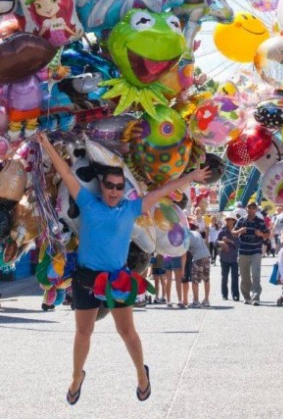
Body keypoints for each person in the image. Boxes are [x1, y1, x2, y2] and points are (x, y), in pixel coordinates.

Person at [37, 131, 210, 405]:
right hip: (86, 279)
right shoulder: (88, 203)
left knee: (127, 332)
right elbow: (68, 176)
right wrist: (46, 144)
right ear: (102, 186)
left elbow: (163, 191)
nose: (115, 191)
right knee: (83, 332)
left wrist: (191, 178)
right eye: (110, 186)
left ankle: (142, 374)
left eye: (119, 186)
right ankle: (76, 376)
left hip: (118, 280)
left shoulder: (131, 208)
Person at [232, 201, 270, 306]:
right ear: (246, 209)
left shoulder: (260, 221)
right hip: (243, 251)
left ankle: (255, 297)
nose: (251, 209)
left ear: (256, 209)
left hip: (256, 251)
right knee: (244, 276)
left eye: (253, 208)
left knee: (256, 275)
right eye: (249, 207)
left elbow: (268, 234)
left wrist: (261, 233)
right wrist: (239, 231)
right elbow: (233, 232)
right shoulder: (241, 220)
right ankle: (247, 297)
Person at [187, 224, 211, 308]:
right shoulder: (197, 233)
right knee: (206, 279)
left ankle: (196, 301)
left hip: (197, 258)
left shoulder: (187, 235)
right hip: (207, 256)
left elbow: (185, 249)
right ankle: (206, 300)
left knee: (195, 280)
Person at [216, 216, 239, 301]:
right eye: (227, 220)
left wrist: (229, 241)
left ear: (234, 221)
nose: (228, 221)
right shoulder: (222, 231)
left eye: (230, 220)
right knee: (224, 277)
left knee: (235, 277)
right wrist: (221, 242)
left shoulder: (237, 231)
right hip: (224, 257)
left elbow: (239, 244)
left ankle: (235, 295)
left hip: (235, 257)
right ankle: (224, 294)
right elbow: (215, 242)